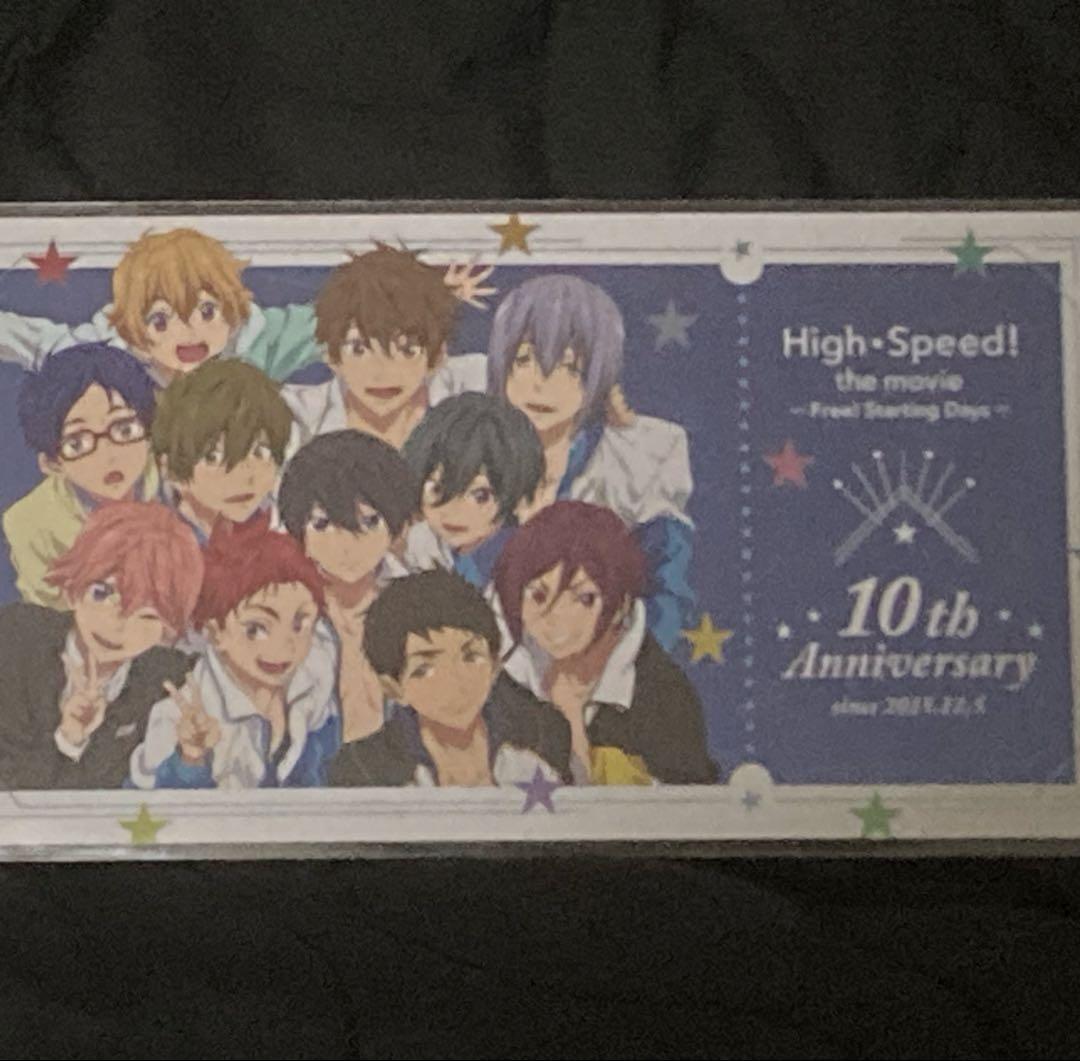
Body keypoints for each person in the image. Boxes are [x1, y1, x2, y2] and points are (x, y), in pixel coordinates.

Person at [468, 274, 696, 653]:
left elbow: (667, 591)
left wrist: (610, 669)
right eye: (524, 360)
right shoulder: (468, 452)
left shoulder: (636, 460)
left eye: (569, 367)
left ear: (597, 376)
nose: (542, 384)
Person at [494, 500, 717, 786]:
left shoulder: (661, 694)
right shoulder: (507, 681)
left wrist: (572, 717)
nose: (555, 616)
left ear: (620, 606)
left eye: (584, 598)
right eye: (538, 595)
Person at [128, 514, 339, 789]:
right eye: (257, 629)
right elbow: (148, 806)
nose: (284, 645)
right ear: (216, 633)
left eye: (300, 624)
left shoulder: (315, 690)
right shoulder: (179, 718)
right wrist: (190, 759)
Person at [0, 502, 201, 789]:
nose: (116, 623)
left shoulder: (170, 680)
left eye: (145, 613)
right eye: (101, 593)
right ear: (73, 589)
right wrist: (67, 740)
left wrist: (191, 758)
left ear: (166, 628)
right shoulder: (14, 640)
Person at [328, 569, 570, 787]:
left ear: (495, 665)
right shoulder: (365, 770)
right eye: (425, 668)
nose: (456, 681)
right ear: (393, 688)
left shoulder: (543, 735)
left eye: (471, 657)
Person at [0, 227, 322, 387]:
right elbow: (38, 342)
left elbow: (330, 320)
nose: (189, 333)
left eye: (207, 312)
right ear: (136, 330)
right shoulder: (109, 356)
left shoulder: (261, 343)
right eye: (161, 320)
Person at [279, 429, 417, 742]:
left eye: (369, 522)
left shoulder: (417, 602)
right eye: (323, 524)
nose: (346, 544)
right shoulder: (285, 606)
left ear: (397, 527)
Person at [281, 244, 488, 451]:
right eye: (359, 350)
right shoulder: (299, 417)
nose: (381, 373)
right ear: (330, 355)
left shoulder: (473, 386)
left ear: (438, 357)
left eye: (407, 351)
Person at [3, 343, 159, 608]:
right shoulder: (30, 526)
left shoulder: (181, 478)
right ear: (52, 463)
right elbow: (48, 618)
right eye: (78, 443)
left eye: (123, 429)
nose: (109, 456)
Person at [400, 392, 543, 590]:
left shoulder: (520, 563)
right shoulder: (420, 544)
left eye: (480, 496)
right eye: (438, 489)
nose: (454, 511)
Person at [150, 359, 293, 544]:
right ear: (169, 469)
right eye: (213, 458)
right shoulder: (156, 543)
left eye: (260, 453)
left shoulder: (277, 535)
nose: (243, 476)